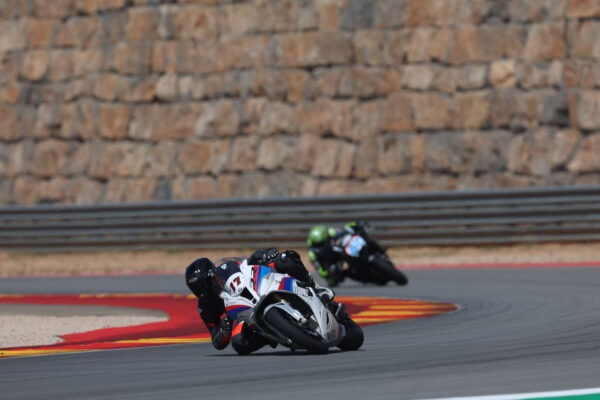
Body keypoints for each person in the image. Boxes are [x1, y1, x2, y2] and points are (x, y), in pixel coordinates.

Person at [184, 247, 346, 355]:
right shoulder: (205, 307)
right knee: (239, 342)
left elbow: (249, 261)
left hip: (259, 288)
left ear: (211, 276)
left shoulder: (226, 269)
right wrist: (224, 332)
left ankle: (314, 287)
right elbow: (216, 341)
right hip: (245, 315)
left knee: (284, 258)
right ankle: (273, 335)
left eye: (202, 284)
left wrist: (266, 254)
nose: (200, 291)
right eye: (195, 288)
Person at [307, 221, 385, 287]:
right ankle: (367, 278)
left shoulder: (331, 232)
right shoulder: (312, 253)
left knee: (367, 240)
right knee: (333, 281)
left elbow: (344, 230)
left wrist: (356, 225)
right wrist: (328, 272)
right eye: (318, 244)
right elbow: (320, 270)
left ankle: (381, 252)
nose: (320, 246)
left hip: (342, 250)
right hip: (334, 263)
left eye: (321, 243)